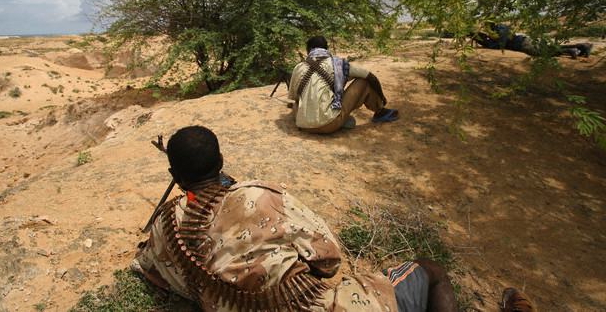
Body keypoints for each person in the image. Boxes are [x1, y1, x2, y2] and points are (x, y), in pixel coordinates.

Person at [131, 125, 462, 311]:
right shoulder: (261, 194)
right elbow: (329, 259)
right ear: (220, 160)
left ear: (175, 175)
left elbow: (152, 269)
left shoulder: (166, 224)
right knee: (431, 271)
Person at [287, 35, 398, 134]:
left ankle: (336, 119)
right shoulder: (337, 64)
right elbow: (370, 76)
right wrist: (382, 96)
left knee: (297, 103)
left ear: (310, 49)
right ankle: (380, 111)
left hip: (302, 125)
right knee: (363, 82)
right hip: (329, 125)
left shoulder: (299, 67)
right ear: (325, 49)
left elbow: (295, 97)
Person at [473, 23, 593, 59]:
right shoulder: (494, 38)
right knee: (545, 51)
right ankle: (572, 50)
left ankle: (580, 46)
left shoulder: (501, 28)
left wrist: (492, 38)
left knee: (542, 52)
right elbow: (492, 45)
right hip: (521, 45)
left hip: (523, 42)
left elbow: (505, 38)